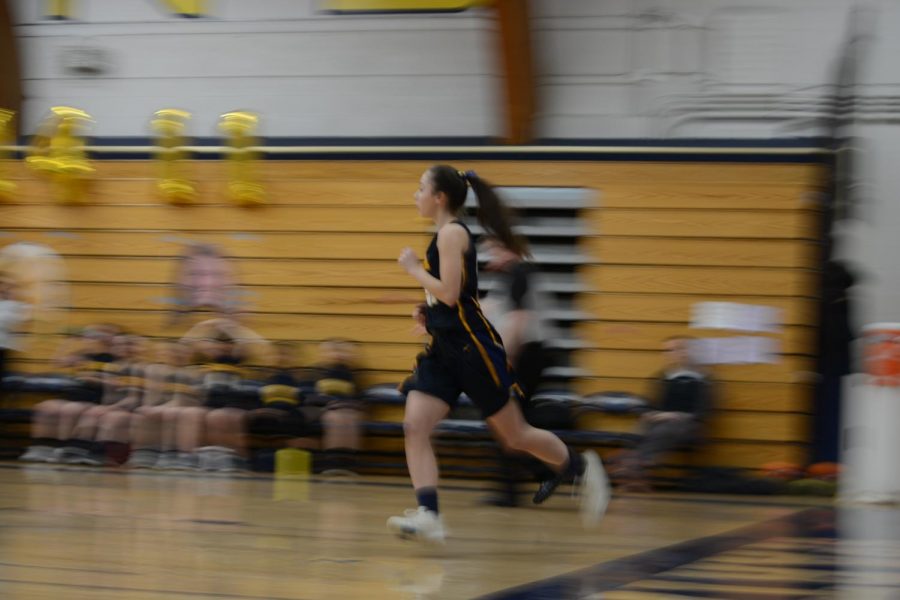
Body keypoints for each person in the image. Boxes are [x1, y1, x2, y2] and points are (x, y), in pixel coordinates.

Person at [387, 165, 609, 544]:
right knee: (415, 425)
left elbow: (453, 293)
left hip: (472, 351)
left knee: (516, 436)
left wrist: (413, 270)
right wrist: (428, 314)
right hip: (445, 351)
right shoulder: (445, 234)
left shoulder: (453, 233)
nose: (415, 194)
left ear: (439, 197)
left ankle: (581, 467)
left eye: (420, 187)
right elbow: (451, 299)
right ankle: (429, 515)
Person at [615, 336, 714, 492]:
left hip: (690, 425)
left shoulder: (703, 378)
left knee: (666, 428)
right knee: (642, 425)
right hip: (662, 421)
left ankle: (632, 465)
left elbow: (703, 411)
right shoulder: (663, 377)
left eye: (674, 349)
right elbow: (650, 404)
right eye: (667, 350)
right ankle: (637, 469)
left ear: (685, 351)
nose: (670, 354)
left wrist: (675, 415)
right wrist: (649, 413)